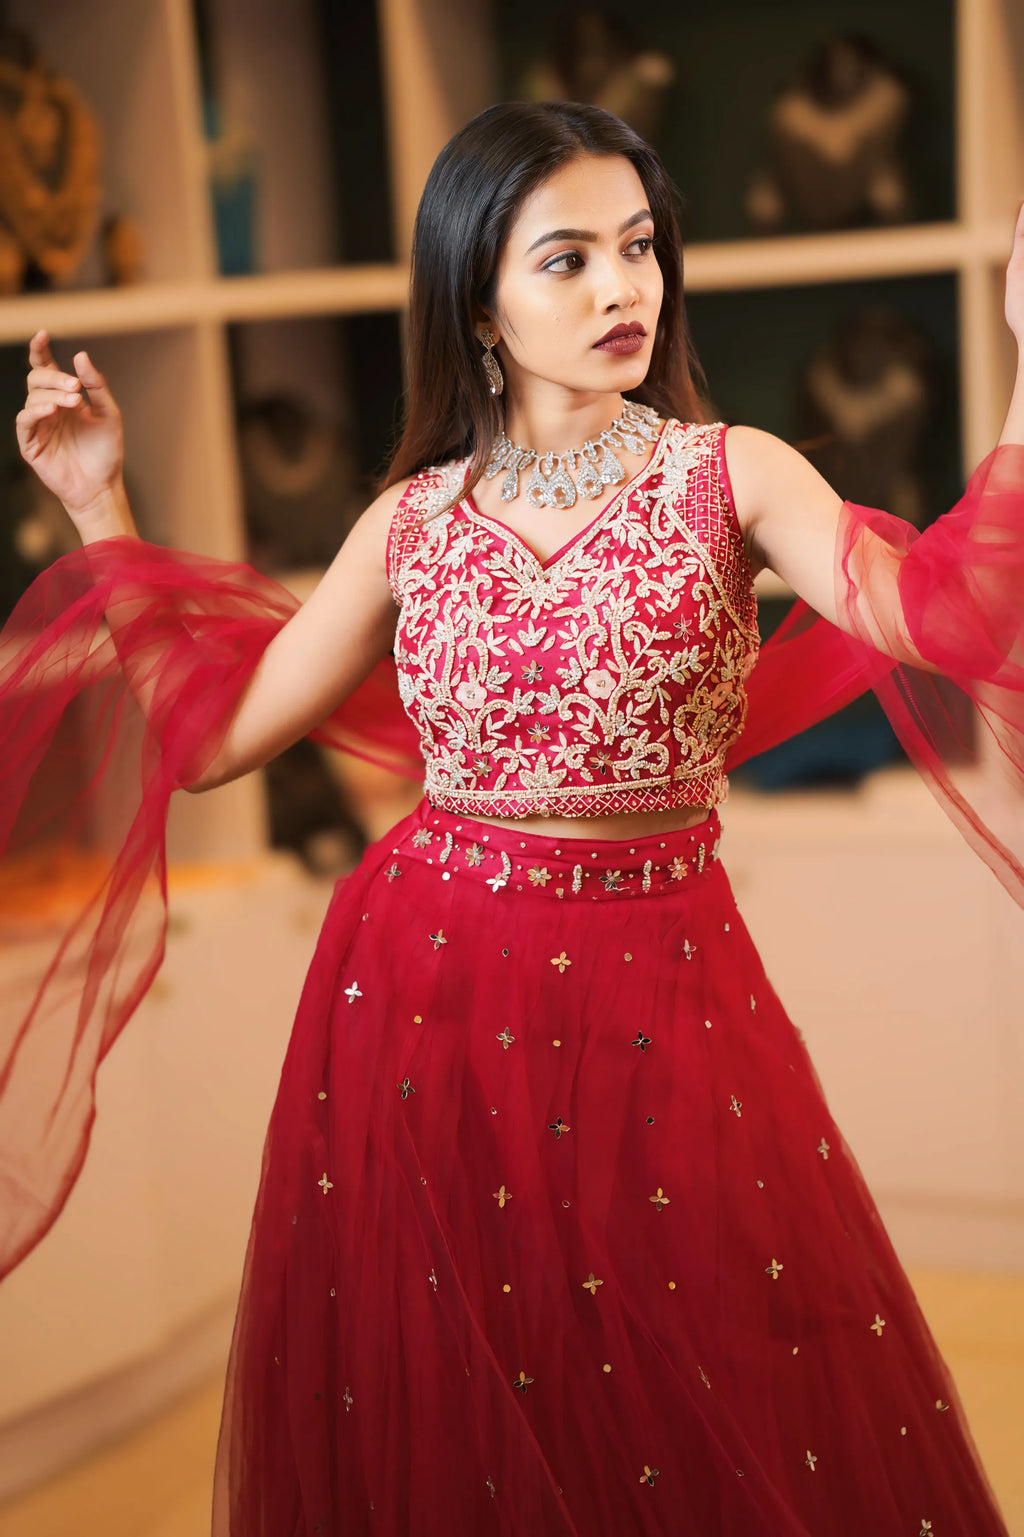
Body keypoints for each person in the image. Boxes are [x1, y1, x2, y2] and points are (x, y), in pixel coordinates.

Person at [7, 100, 1024, 1536]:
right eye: (568, 259)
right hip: (421, 1002)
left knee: (711, 1386)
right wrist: (99, 501)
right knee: (472, 1419)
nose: (622, 288)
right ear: (477, 302)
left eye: (641, 247)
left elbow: (952, 610)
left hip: (665, 999)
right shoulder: (414, 521)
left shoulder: (733, 473)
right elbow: (212, 740)